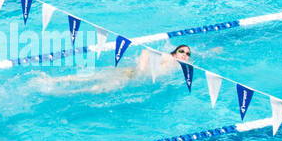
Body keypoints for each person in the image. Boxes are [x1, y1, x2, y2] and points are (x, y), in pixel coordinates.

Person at [33, 45, 195, 96]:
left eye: (187, 53)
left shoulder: (180, 65)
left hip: (128, 75)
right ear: (175, 52)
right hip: (129, 75)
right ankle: (55, 88)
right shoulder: (169, 57)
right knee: (94, 86)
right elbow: (146, 52)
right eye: (182, 51)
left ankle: (52, 83)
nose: (185, 55)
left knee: (91, 80)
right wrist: (140, 70)